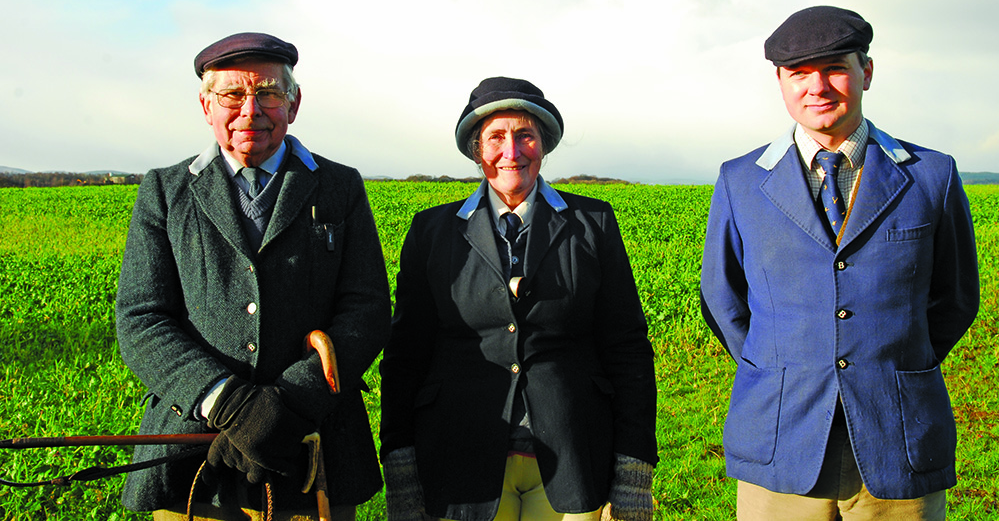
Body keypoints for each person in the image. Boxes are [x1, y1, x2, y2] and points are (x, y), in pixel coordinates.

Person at [700, 6, 980, 520]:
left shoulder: (931, 176)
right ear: (780, 83)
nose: (817, 87)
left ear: (866, 73)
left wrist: (892, 363)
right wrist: (781, 368)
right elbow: (723, 300)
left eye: (834, 68)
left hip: (897, 438)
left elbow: (956, 298)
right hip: (780, 437)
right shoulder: (740, 181)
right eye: (799, 74)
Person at [115, 32, 391, 520]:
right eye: (232, 95)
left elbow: (366, 309)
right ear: (206, 105)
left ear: (294, 102)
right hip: (193, 450)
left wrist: (289, 403)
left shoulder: (339, 186)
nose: (250, 110)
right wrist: (228, 402)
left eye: (267, 93)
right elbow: (142, 319)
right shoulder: (165, 191)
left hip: (311, 446)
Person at [378, 77, 658, 521]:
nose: (512, 152)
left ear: (543, 145)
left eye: (525, 135)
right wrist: (400, 464)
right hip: (460, 458)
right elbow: (405, 354)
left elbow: (627, 348)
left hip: (572, 457)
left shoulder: (593, 223)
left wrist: (633, 466)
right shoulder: (431, 232)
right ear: (476, 150)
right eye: (495, 137)